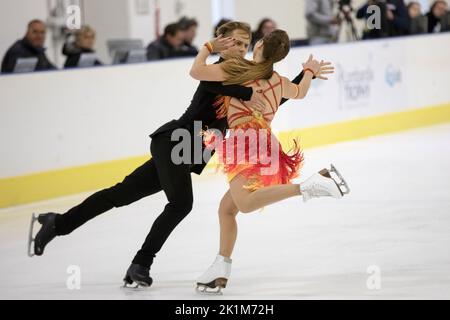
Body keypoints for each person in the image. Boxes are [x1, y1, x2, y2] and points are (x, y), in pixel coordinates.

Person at [28, 21, 309, 288]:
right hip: (175, 142)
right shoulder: (220, 74)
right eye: (233, 41)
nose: (239, 46)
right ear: (221, 42)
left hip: (188, 150)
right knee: (181, 203)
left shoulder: (248, 76)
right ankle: (141, 264)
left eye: (244, 42)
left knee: (120, 194)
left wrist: (304, 74)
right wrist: (211, 52)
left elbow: (275, 95)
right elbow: (220, 83)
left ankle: (58, 223)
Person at [189, 30, 348, 293]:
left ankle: (310, 186)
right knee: (227, 209)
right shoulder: (280, 80)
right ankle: (220, 267)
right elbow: (300, 92)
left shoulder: (237, 69)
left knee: (247, 203)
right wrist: (309, 71)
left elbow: (197, 72)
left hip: (244, 142)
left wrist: (208, 46)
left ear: (260, 45)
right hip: (267, 144)